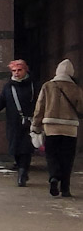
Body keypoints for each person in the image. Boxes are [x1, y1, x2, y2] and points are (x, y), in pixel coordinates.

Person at [30, 59, 83, 198]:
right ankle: (65, 189)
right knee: (67, 158)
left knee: (52, 155)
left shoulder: (47, 86)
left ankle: (54, 176)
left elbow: (39, 107)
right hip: (70, 129)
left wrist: (35, 125)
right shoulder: (76, 89)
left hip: (51, 128)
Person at [0, 58, 37, 186]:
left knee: (26, 148)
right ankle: (21, 169)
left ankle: (22, 172)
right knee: (15, 148)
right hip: (14, 123)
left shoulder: (33, 85)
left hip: (29, 122)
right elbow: (1, 100)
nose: (16, 73)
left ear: (25, 70)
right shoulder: (8, 86)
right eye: (14, 70)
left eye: (19, 70)